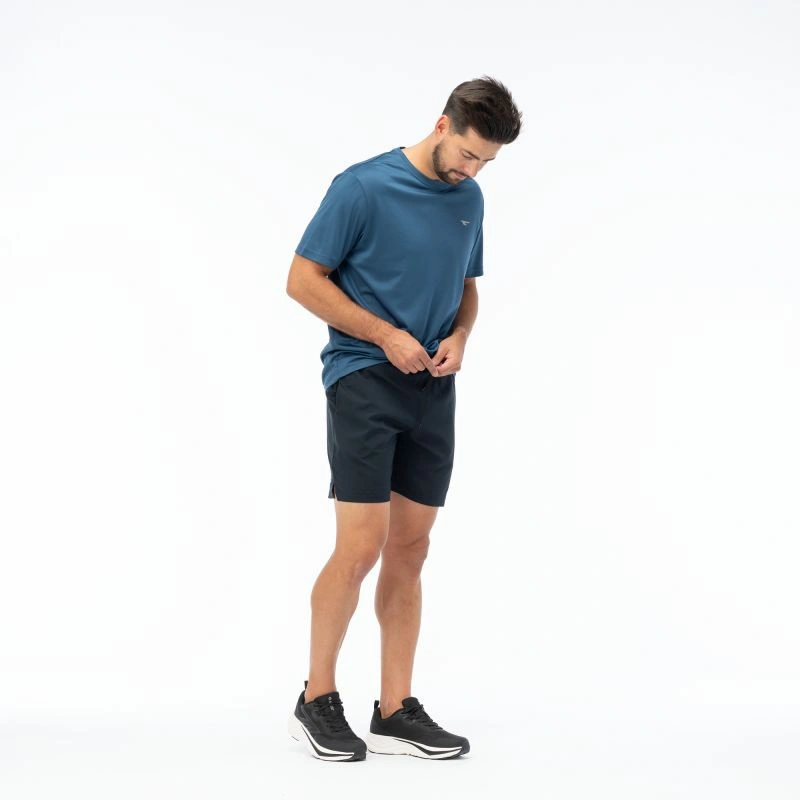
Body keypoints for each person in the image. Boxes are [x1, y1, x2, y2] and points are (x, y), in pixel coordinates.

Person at [286, 76, 522, 762]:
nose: (473, 172)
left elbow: (466, 288)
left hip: (433, 387)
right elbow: (302, 280)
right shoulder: (361, 187)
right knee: (361, 546)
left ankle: (394, 709)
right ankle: (316, 698)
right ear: (442, 125)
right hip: (363, 378)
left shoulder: (469, 199)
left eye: (487, 163)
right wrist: (385, 334)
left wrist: (462, 336)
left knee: (412, 549)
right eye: (469, 154)